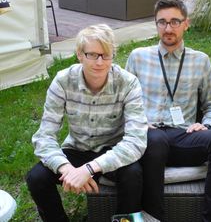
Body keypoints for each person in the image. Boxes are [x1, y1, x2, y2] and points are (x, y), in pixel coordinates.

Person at [125, 0, 211, 221]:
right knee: (156, 139)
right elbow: (124, 102)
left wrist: (206, 125)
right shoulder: (138, 57)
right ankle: (154, 216)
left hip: (183, 136)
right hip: (147, 135)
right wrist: (141, 123)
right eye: (162, 22)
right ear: (156, 25)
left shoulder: (200, 61)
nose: (168, 28)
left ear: (186, 24)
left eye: (175, 21)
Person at [26, 24, 149, 222]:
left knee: (133, 175)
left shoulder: (128, 83)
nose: (100, 62)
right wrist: (66, 169)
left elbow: (136, 142)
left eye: (106, 55)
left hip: (112, 149)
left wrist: (88, 170)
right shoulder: (63, 81)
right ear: (79, 54)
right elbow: (44, 136)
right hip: (77, 148)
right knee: (36, 178)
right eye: (92, 54)